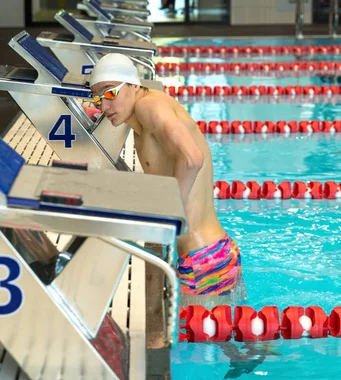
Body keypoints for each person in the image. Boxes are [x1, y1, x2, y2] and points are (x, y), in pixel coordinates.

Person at [88, 53, 245, 307]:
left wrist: (166, 220)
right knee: (236, 342)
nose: (103, 107)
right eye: (97, 98)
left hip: (202, 260)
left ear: (133, 85)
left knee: (208, 345)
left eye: (109, 94)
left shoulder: (149, 107)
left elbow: (192, 159)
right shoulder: (141, 117)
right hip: (215, 252)